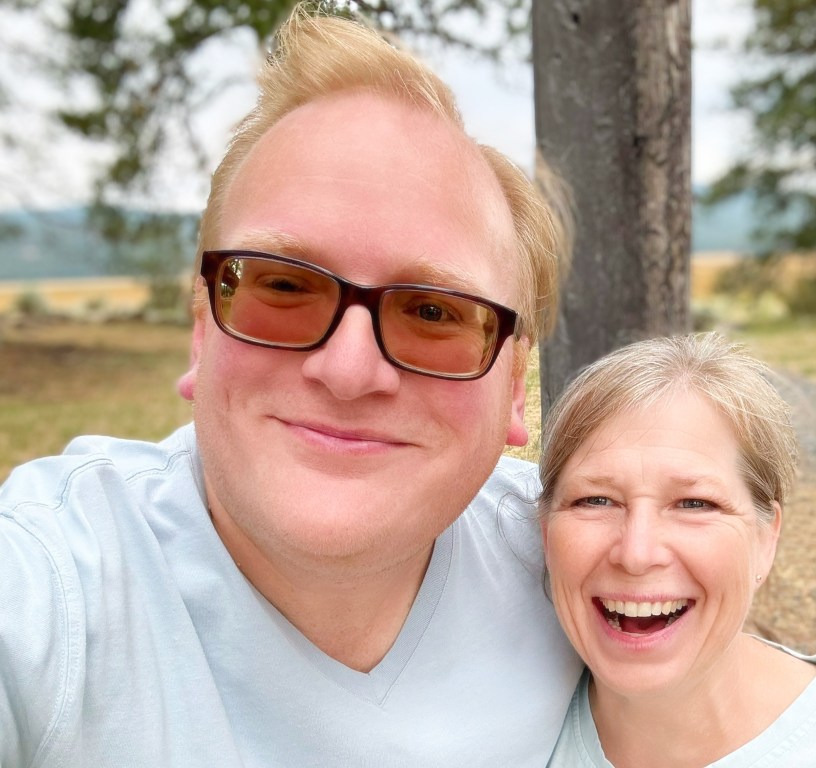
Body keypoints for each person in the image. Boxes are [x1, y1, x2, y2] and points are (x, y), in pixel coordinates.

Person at [0, 5, 582, 766]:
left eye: (434, 311)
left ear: (515, 387)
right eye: (280, 286)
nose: (347, 371)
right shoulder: (51, 588)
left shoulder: (579, 571)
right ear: (203, 330)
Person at [538, 333, 816, 767]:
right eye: (595, 500)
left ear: (767, 539)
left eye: (695, 504)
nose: (636, 553)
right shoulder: (501, 728)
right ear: (544, 530)